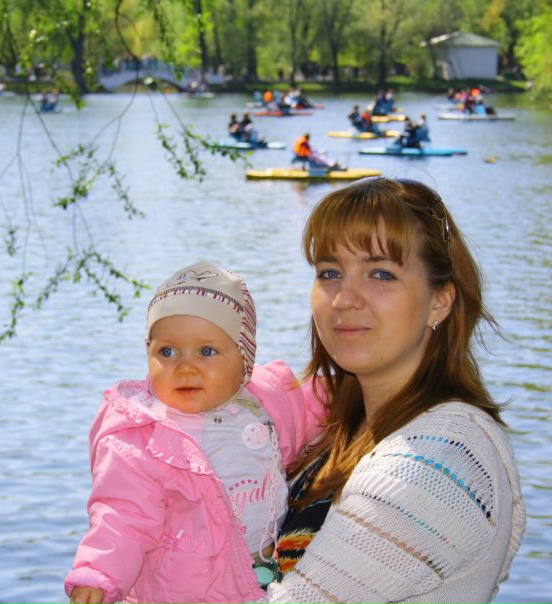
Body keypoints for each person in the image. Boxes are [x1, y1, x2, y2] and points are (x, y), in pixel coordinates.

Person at [266, 177, 526, 603]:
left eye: (381, 274)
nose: (344, 299)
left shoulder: (439, 457)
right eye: (330, 273)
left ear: (440, 301)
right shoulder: (341, 435)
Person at [65, 261, 324, 604]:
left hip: (258, 579)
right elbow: (123, 516)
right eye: (167, 352)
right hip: (181, 593)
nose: (185, 367)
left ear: (244, 359)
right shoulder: (143, 437)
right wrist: (98, 576)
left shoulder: (269, 403)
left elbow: (319, 408)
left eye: (207, 352)